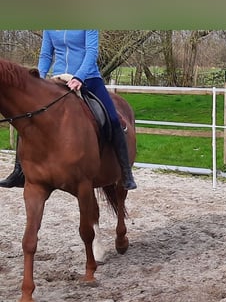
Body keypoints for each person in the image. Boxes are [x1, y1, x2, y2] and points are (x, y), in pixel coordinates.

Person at [0, 30, 137, 189]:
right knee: (27, 117)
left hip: (88, 78)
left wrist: (79, 76)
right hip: (59, 79)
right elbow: (45, 55)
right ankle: (19, 171)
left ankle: (126, 172)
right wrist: (37, 80)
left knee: (113, 119)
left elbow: (91, 52)